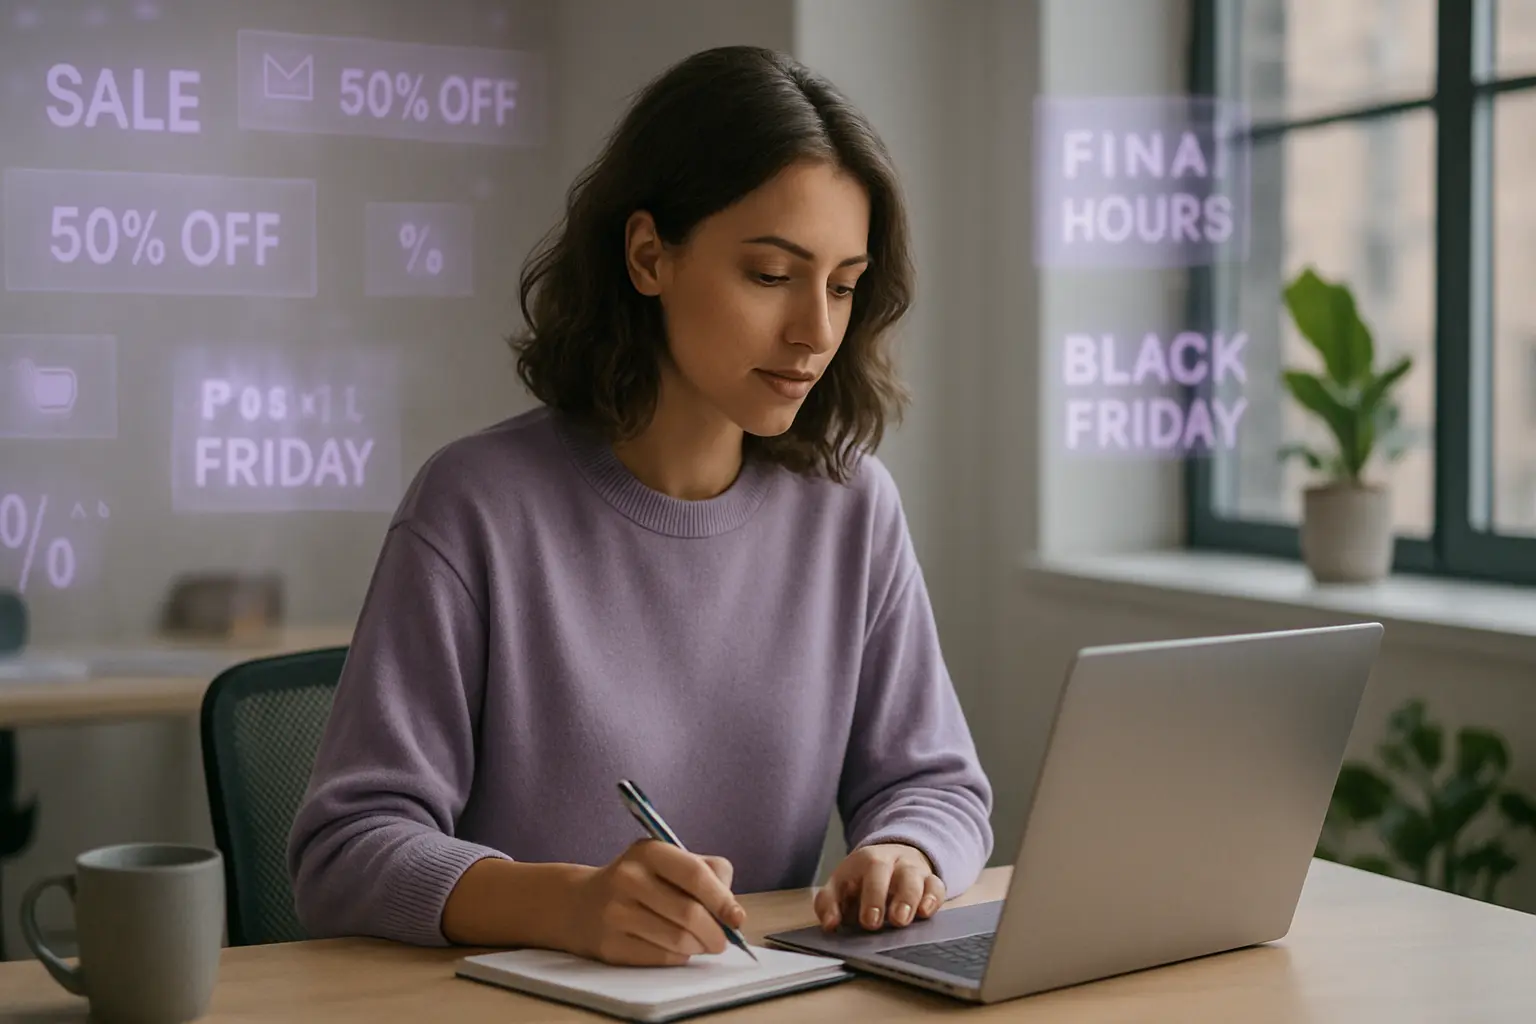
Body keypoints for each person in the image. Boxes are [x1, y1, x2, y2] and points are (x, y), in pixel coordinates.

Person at [286, 44, 993, 967]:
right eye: (772, 276)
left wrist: (903, 851)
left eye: (844, 286)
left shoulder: (853, 508)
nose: (816, 331)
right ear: (649, 255)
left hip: (749, 996)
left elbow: (936, 784)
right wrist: (565, 904)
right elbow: (343, 850)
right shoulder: (476, 505)